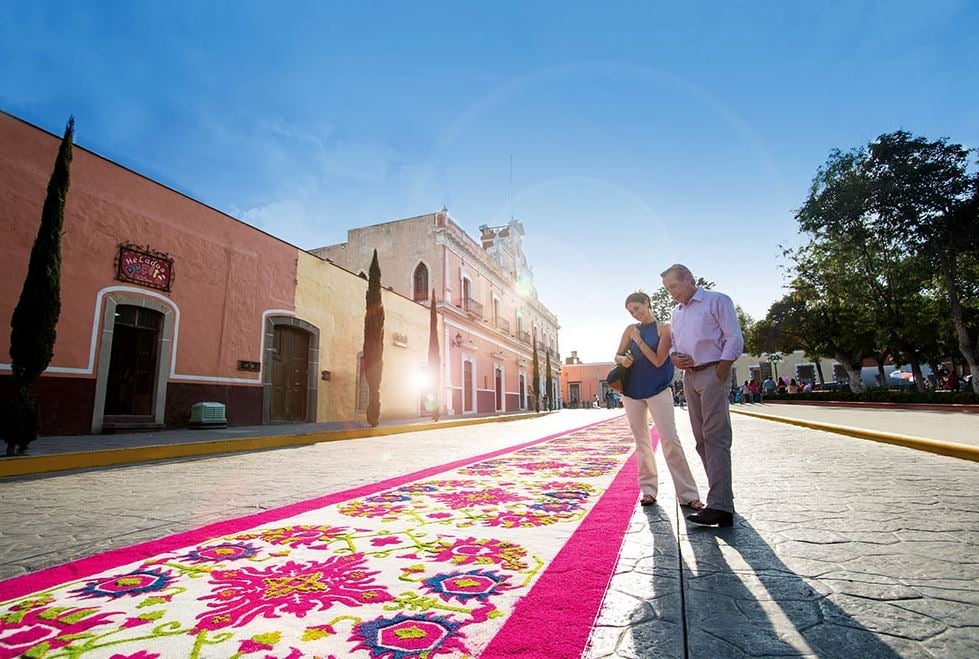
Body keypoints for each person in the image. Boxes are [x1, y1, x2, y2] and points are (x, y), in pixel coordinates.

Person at [661, 264, 744, 527]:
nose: (671, 293)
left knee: (715, 437)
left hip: (713, 372)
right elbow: (674, 345)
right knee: (701, 440)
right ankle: (723, 499)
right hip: (690, 376)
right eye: (667, 289)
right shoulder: (676, 312)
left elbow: (734, 338)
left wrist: (721, 370)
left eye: (674, 286)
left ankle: (719, 505)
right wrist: (674, 357)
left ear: (688, 279)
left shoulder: (717, 300)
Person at [613, 291, 704, 510]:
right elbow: (616, 355)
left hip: (658, 390)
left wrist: (638, 341)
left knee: (670, 440)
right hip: (632, 392)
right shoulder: (630, 329)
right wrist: (623, 360)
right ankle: (648, 490)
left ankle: (688, 494)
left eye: (637, 308)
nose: (635, 314)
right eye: (631, 311)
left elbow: (658, 360)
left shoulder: (664, 328)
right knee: (642, 443)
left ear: (647, 303)